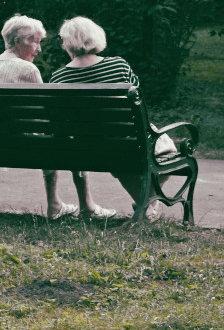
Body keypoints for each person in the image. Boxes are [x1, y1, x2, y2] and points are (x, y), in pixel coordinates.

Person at [0, 13, 116, 220]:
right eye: (35, 42)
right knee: (67, 135)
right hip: (26, 145)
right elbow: (49, 113)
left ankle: (57, 204)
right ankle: (76, 206)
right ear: (17, 41)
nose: (39, 48)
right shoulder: (27, 69)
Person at [49, 15, 163, 219]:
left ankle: (145, 204)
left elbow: (58, 123)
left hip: (85, 148)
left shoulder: (58, 78)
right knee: (166, 148)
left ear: (68, 43)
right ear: (95, 37)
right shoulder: (118, 65)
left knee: (118, 157)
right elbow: (138, 101)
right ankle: (148, 202)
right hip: (126, 142)